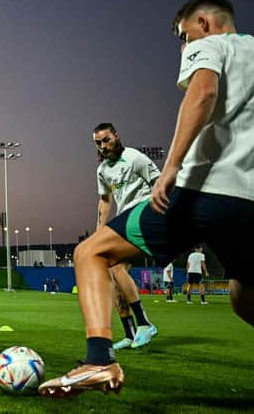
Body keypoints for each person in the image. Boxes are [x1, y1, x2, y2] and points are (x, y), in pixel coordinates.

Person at [39, 0, 254, 397]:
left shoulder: (209, 45)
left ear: (204, 23)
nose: (184, 44)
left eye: (183, 35)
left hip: (203, 190)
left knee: (91, 252)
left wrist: (172, 165)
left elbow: (204, 92)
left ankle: (98, 362)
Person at [92, 123, 159, 350]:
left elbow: (158, 184)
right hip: (126, 221)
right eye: (99, 143)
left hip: (144, 215)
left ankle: (144, 324)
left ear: (116, 136)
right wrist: (99, 233)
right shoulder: (103, 171)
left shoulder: (134, 158)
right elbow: (105, 200)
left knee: (115, 266)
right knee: (113, 272)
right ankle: (130, 333)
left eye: (107, 140)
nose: (104, 146)